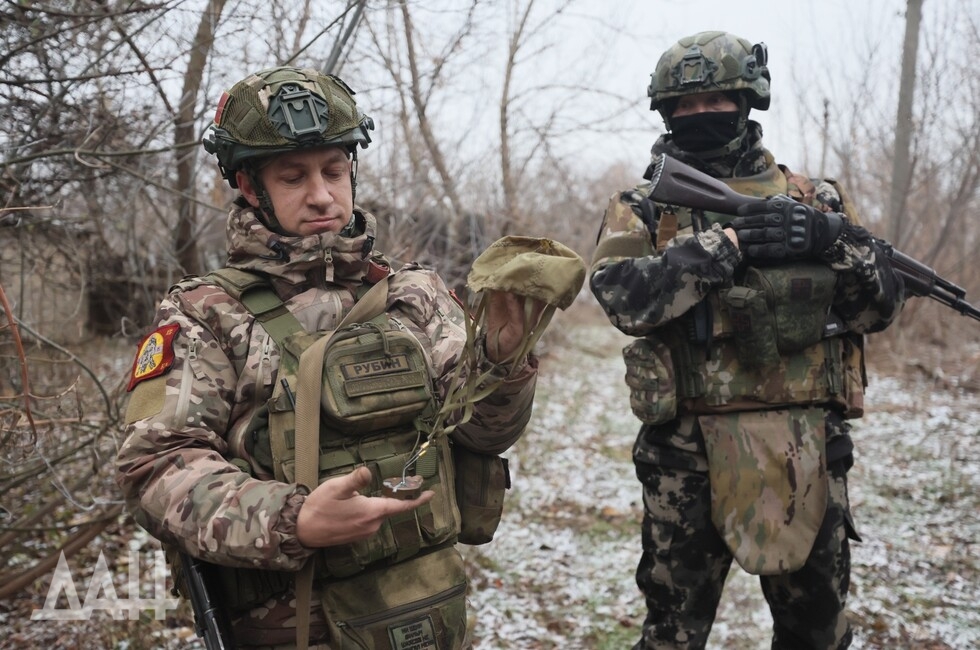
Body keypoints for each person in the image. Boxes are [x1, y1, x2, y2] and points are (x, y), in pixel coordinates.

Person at [116, 66, 545, 649]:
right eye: (293, 177)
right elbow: (155, 466)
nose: (321, 194)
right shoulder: (207, 315)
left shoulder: (412, 293)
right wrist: (291, 518)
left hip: (426, 607)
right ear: (250, 187)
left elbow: (483, 434)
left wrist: (503, 362)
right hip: (289, 626)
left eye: (334, 171)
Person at [589, 31, 906, 649]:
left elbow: (880, 307)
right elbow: (623, 299)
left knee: (816, 632)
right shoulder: (642, 205)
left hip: (806, 446)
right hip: (686, 453)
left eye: (716, 101)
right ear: (666, 112)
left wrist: (829, 238)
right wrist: (725, 247)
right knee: (672, 635)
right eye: (686, 105)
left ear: (747, 101)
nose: (700, 114)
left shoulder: (816, 199)